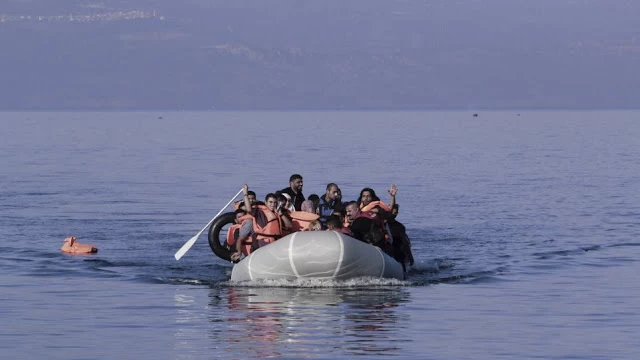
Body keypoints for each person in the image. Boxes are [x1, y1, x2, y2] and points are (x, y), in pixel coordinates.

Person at [230, 184, 293, 261]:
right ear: (265, 202)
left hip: (275, 245)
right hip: (263, 246)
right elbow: (249, 210)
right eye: (270, 202)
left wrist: (281, 215)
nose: (273, 205)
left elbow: (289, 226)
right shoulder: (260, 211)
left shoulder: (278, 214)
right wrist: (245, 194)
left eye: (275, 203)